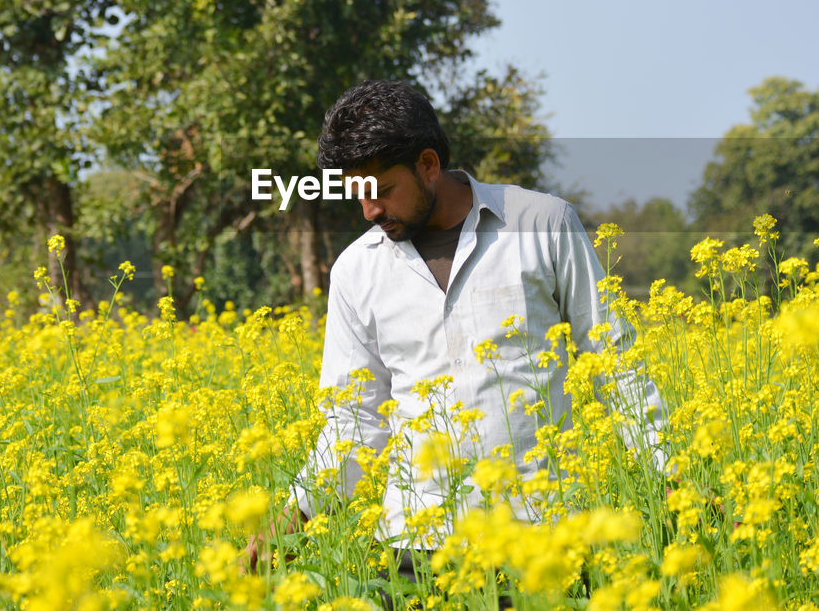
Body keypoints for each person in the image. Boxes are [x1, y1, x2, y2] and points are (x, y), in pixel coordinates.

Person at [244, 80, 668, 584]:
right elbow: (353, 418)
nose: (370, 212)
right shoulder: (356, 271)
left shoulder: (542, 224)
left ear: (428, 165)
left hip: (543, 533)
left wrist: (673, 477)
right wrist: (295, 517)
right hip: (416, 546)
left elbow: (613, 359)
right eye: (356, 197)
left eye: (380, 192)